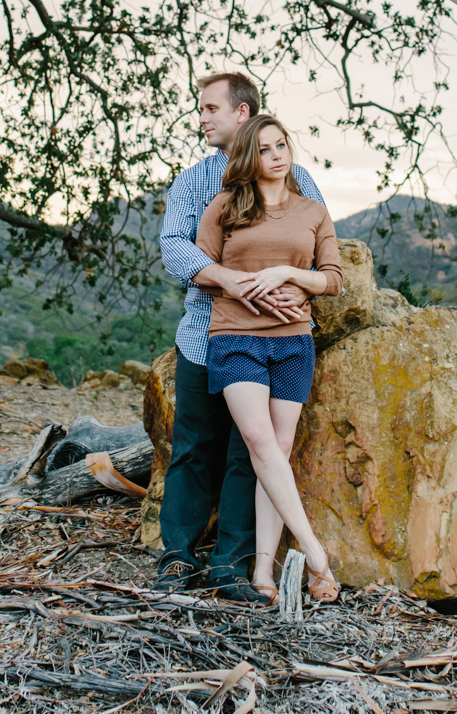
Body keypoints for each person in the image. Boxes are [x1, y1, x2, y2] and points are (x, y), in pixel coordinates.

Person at [157, 72, 323, 602]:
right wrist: (230, 281)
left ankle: (233, 565)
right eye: (200, 109)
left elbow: (319, 252)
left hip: (274, 338)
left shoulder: (298, 182)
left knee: (247, 454)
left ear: (242, 114)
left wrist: (301, 292)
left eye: (210, 108)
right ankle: (178, 557)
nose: (201, 118)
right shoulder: (196, 181)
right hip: (206, 336)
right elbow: (174, 248)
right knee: (193, 448)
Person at [195, 114, 342, 604]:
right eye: (265, 149)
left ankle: (263, 572)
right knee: (258, 440)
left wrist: (288, 273)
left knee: (276, 451)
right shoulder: (225, 206)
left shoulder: (312, 212)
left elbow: (334, 279)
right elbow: (201, 270)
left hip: (293, 341)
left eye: (282, 145)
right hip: (235, 335)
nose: (277, 155)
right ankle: (316, 556)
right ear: (248, 158)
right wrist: (246, 290)